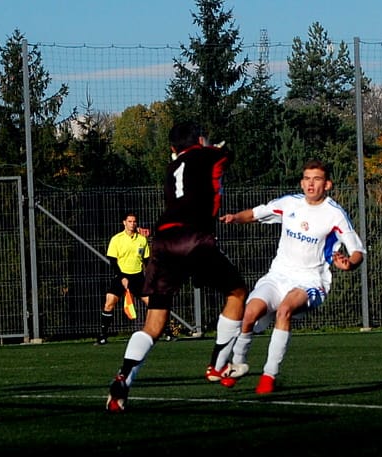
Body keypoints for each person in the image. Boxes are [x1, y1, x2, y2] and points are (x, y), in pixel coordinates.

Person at [106, 122, 247, 412]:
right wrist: (213, 148)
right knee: (237, 293)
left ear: (172, 149)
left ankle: (123, 379)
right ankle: (217, 365)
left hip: (163, 242)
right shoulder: (205, 155)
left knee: (154, 323)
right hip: (194, 238)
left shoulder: (172, 169)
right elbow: (227, 155)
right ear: (198, 139)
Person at [218, 159, 366, 394]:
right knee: (249, 314)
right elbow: (257, 213)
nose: (311, 183)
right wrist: (235, 217)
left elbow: (357, 250)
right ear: (301, 182)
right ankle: (237, 364)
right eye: (307, 178)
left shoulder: (334, 214)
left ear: (327, 184)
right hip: (278, 275)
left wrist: (349, 264)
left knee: (285, 309)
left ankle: (269, 375)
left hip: (311, 281)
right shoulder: (289, 204)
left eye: (317, 179)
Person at [96, 212, 150, 345]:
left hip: (138, 277)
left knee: (154, 303)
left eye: (134, 222)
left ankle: (166, 332)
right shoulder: (116, 239)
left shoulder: (142, 240)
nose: (132, 224)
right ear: (124, 223)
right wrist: (122, 277)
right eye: (129, 221)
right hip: (121, 277)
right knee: (109, 303)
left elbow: (147, 260)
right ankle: (103, 336)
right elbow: (113, 261)